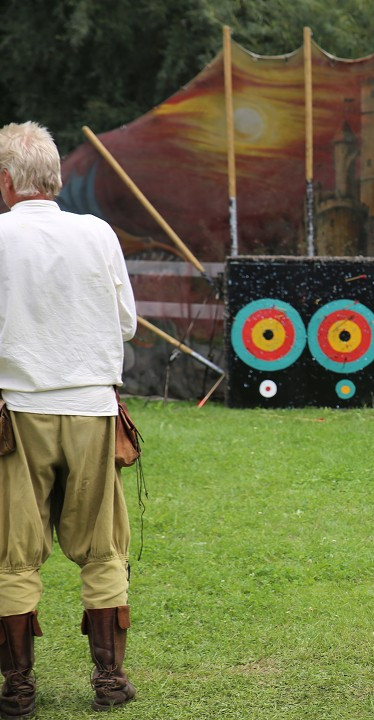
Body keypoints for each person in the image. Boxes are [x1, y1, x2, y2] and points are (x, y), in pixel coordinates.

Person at [0, 121, 138, 715]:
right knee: (103, 549)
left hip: (19, 413)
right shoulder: (98, 234)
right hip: (91, 409)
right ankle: (109, 682)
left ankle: (19, 689)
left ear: (6, 181)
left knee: (12, 553)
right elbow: (127, 323)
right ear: (52, 177)